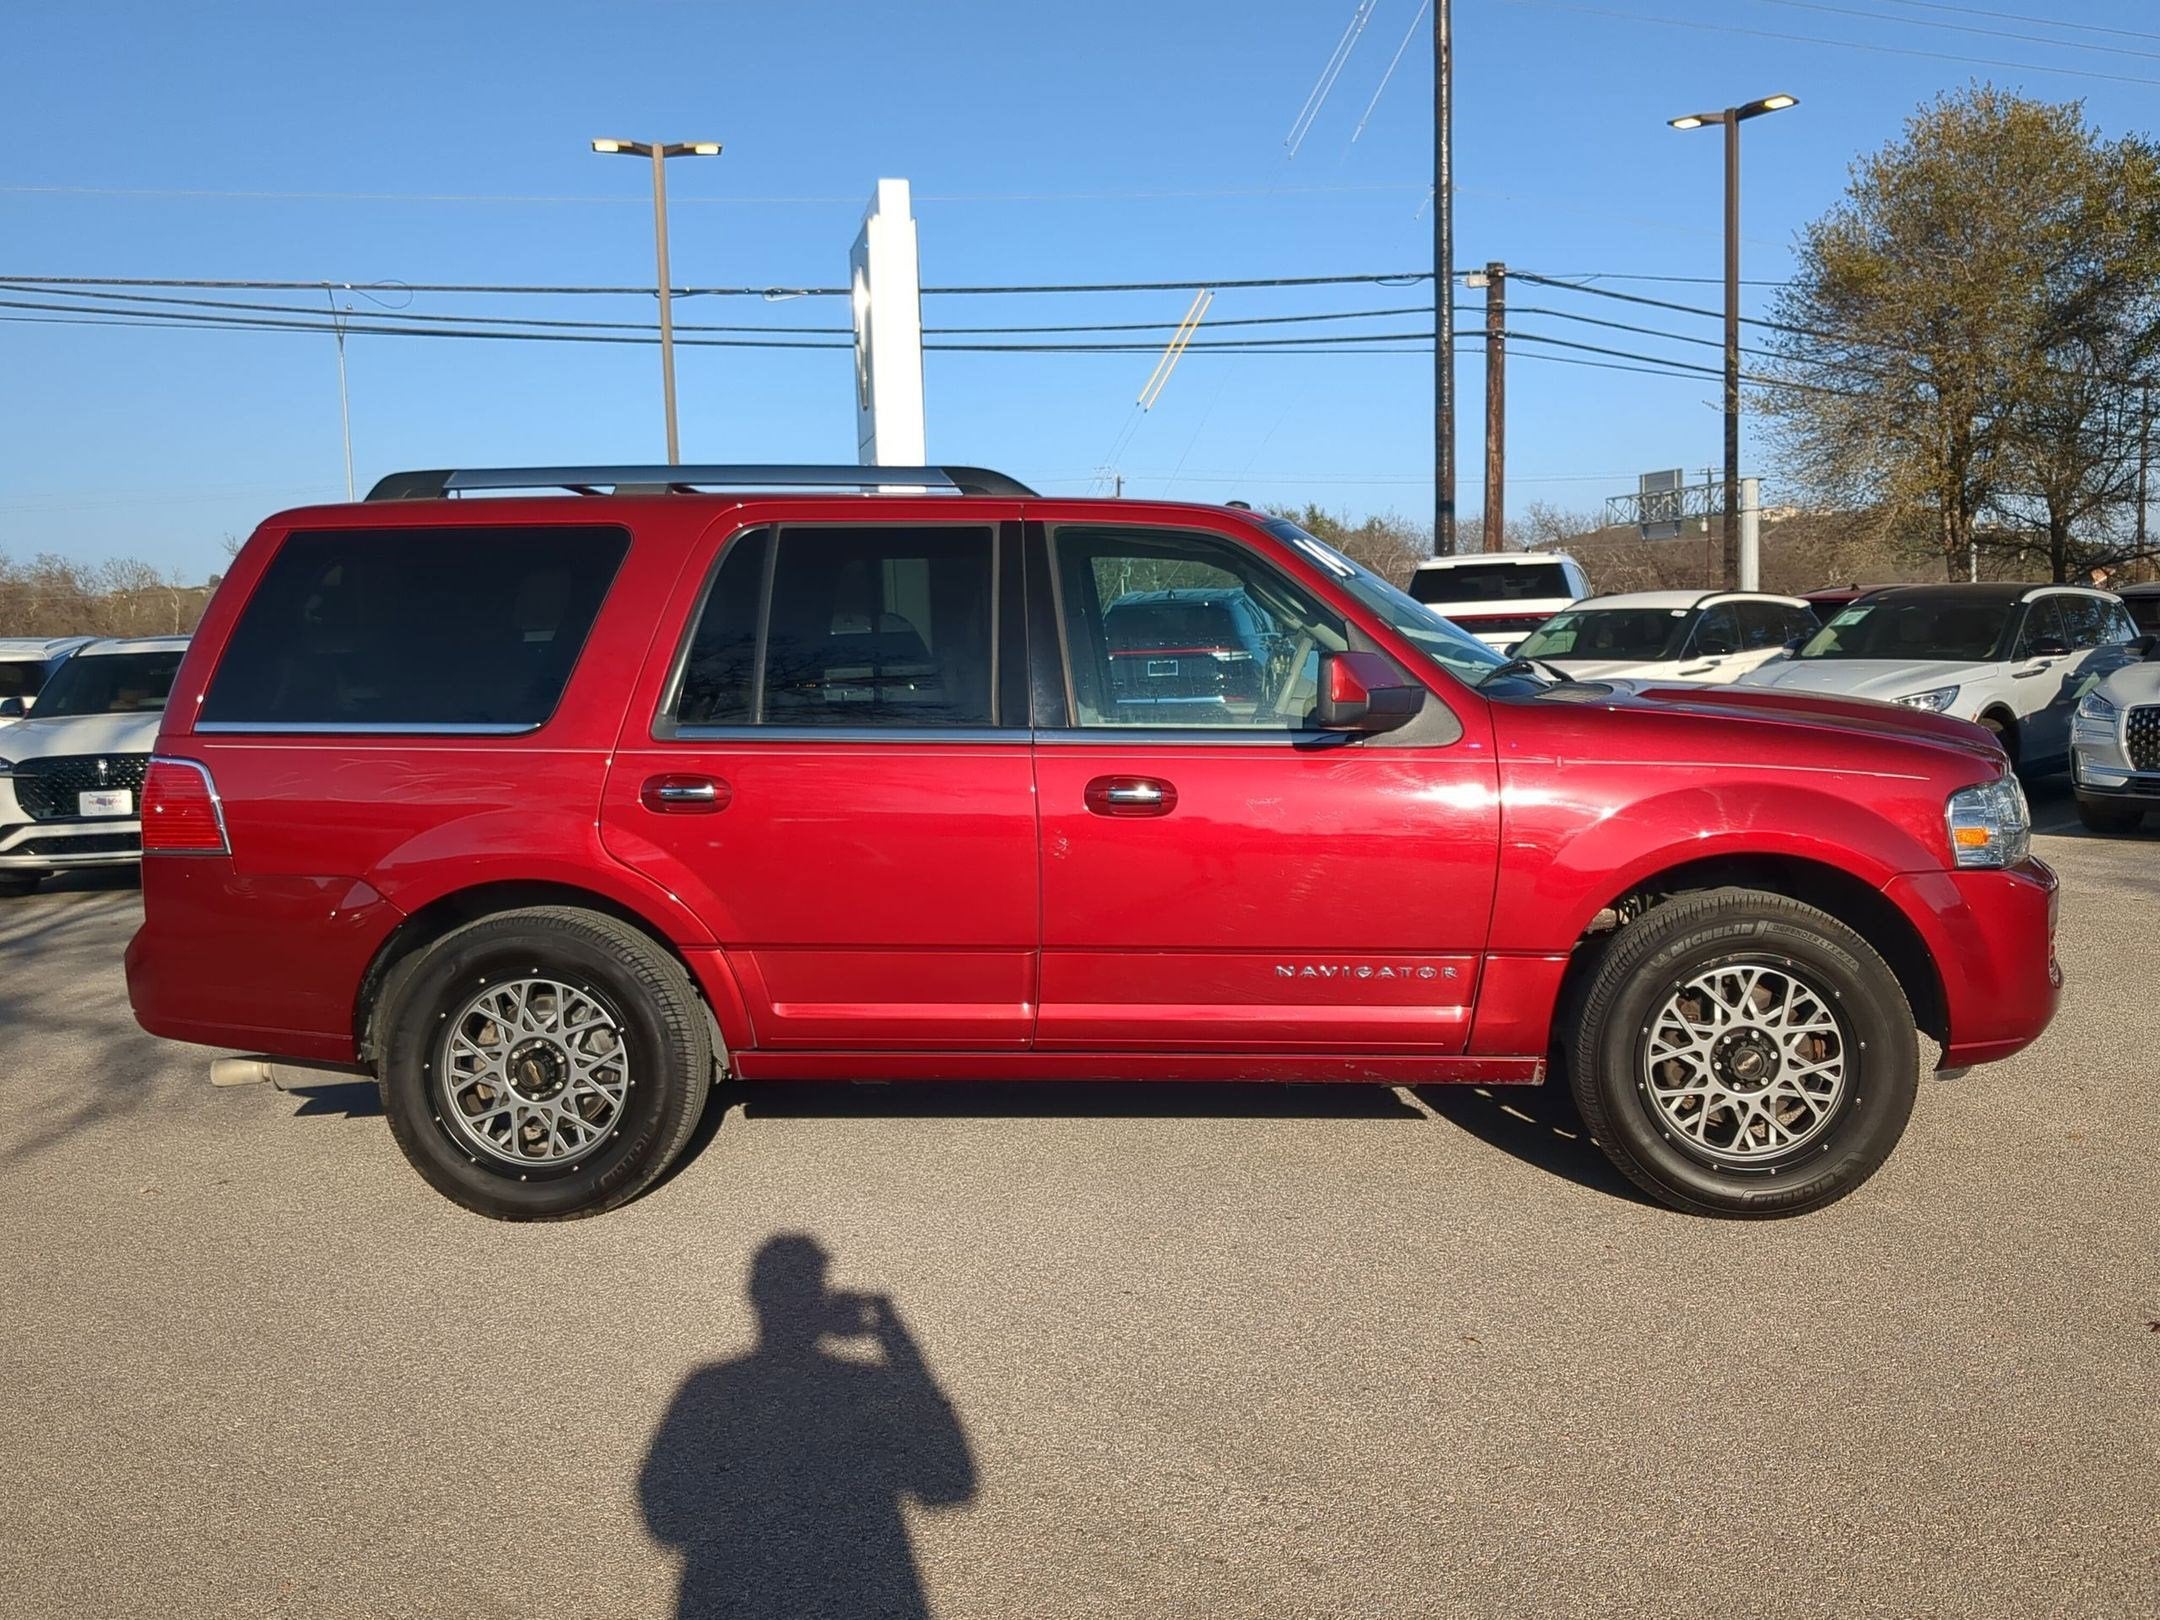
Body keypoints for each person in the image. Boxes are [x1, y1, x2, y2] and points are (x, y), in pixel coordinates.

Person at [640, 1235, 976, 1620]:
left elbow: (663, 1511)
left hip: (734, 1595)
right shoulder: (863, 1386)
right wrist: (891, 1334)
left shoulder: (710, 1389)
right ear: (822, 1305)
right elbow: (948, 1482)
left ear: (755, 1297)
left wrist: (739, 1523)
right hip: (858, 1595)